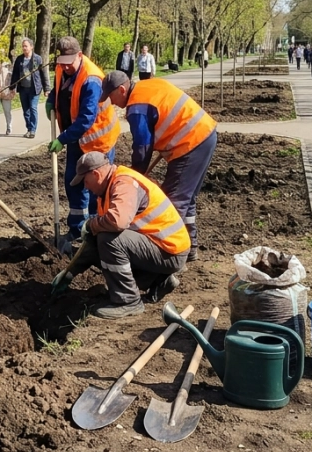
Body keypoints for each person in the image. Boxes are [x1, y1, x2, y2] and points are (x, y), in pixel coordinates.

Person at [49, 152, 189, 319]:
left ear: (96, 174)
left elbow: (117, 222)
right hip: (160, 249)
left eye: (85, 181)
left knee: (109, 240)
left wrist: (92, 224)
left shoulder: (124, 183)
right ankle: (158, 281)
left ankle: (128, 301)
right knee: (103, 240)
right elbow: (93, 244)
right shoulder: (107, 190)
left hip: (169, 251)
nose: (86, 187)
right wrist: (69, 272)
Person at [101, 69, 217, 260]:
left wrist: (135, 176)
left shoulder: (136, 107)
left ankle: (172, 255)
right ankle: (191, 247)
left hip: (190, 144)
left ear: (121, 90)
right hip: (205, 135)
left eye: (111, 96)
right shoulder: (148, 85)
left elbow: (142, 146)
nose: (112, 103)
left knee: (173, 201)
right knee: (187, 199)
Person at [46, 36, 122, 247]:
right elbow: (58, 87)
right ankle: (77, 228)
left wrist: (62, 139)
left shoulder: (92, 80)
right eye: (62, 62)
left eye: (70, 61)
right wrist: (52, 100)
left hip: (98, 141)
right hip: (77, 140)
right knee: (74, 182)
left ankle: (96, 229)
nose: (66, 66)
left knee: (96, 186)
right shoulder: (63, 67)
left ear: (80, 55)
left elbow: (86, 120)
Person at [11, 37, 49, 139]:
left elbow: (43, 74)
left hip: (34, 88)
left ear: (31, 47)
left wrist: (47, 89)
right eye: (23, 46)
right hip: (23, 88)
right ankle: (28, 128)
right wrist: (12, 87)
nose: (24, 48)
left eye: (26, 46)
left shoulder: (37, 59)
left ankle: (33, 130)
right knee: (25, 110)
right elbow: (15, 74)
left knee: (33, 108)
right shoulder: (19, 59)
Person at [0, 60, 14, 136]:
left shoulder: (10, 75)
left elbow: (13, 85)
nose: (3, 67)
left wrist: (13, 91)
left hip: (6, 94)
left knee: (7, 111)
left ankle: (9, 127)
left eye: (5, 66)